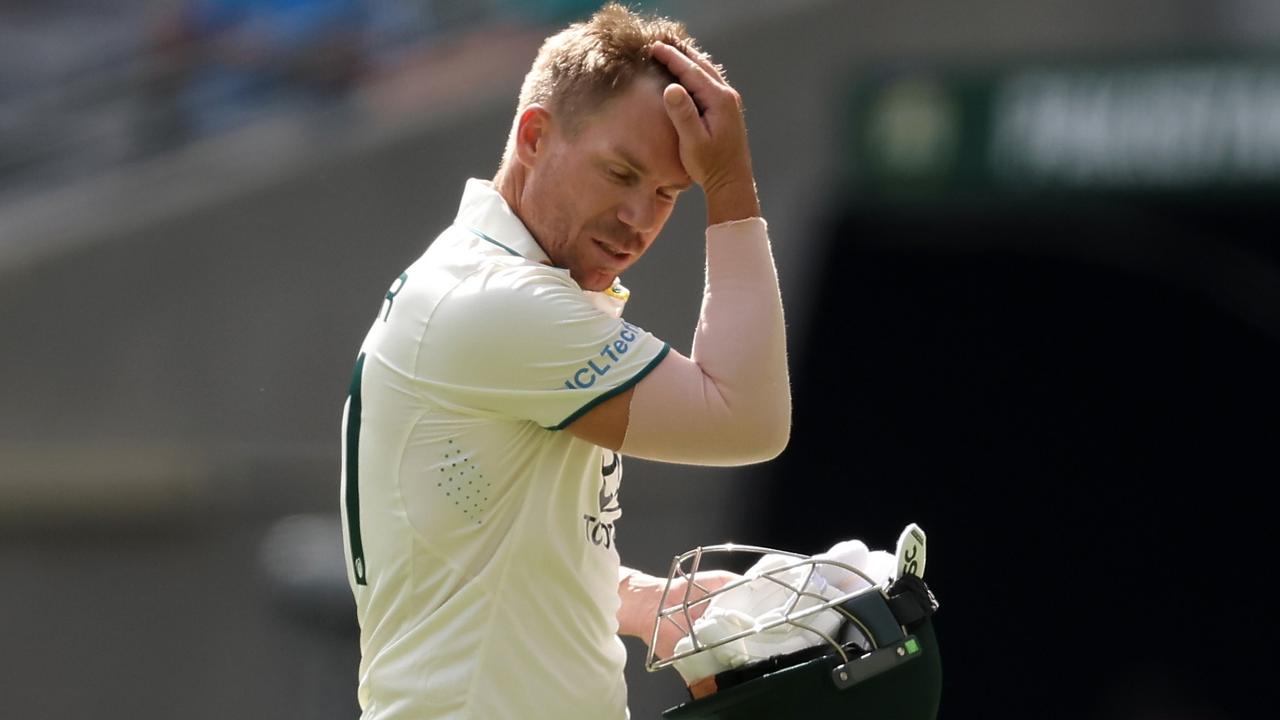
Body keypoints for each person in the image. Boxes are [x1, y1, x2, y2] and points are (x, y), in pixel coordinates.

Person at [339, 4, 790, 718]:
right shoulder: (502, 302)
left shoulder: (486, 282)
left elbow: (481, 542)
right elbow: (750, 420)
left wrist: (640, 600)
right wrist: (730, 184)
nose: (640, 218)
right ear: (535, 136)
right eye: (620, 172)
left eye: (669, 193)